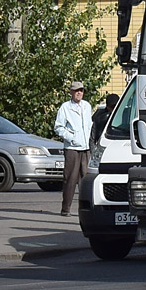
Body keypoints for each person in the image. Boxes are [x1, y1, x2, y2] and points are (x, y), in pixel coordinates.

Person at [54, 81, 93, 216]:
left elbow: (90, 125)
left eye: (81, 90)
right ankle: (66, 209)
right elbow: (58, 127)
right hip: (72, 148)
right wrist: (71, 138)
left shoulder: (87, 106)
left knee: (86, 179)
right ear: (71, 92)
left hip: (86, 148)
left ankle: (85, 209)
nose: (79, 93)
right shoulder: (65, 107)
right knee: (70, 179)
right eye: (76, 90)